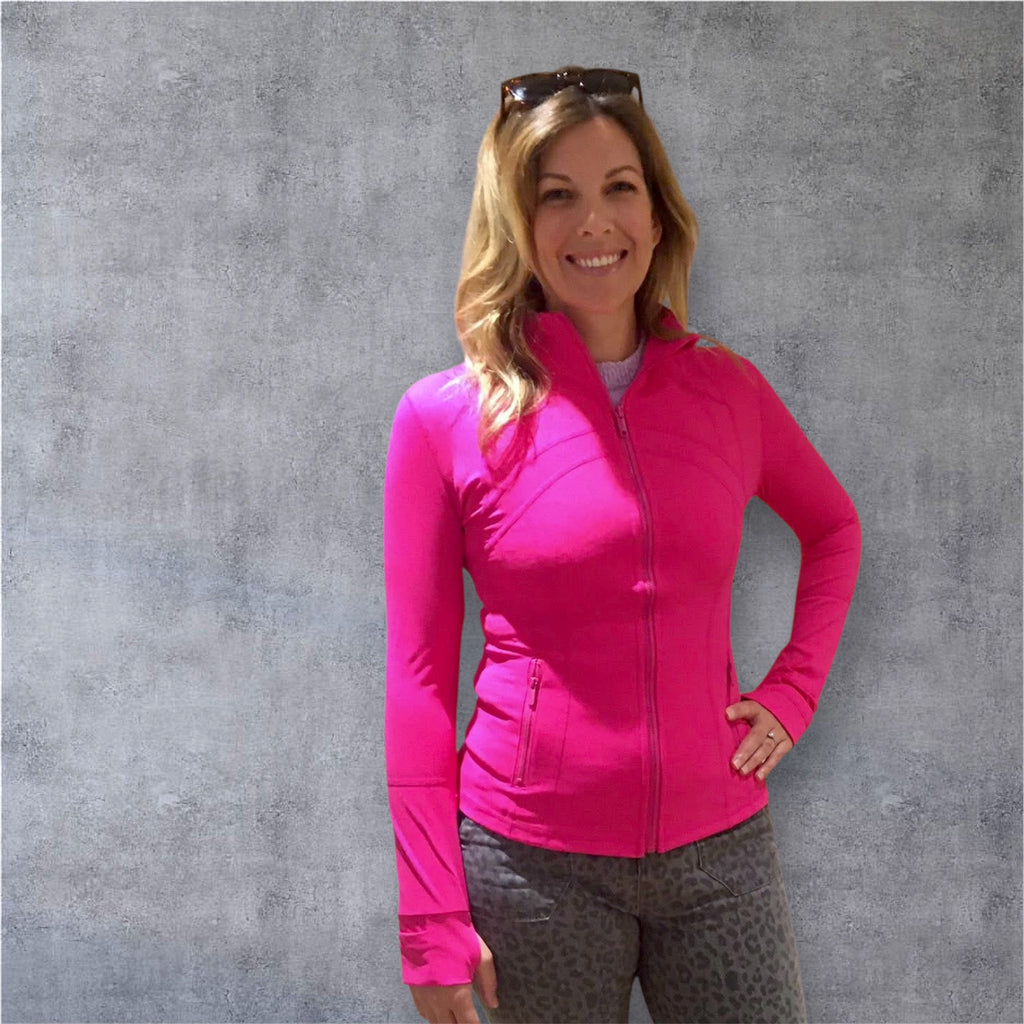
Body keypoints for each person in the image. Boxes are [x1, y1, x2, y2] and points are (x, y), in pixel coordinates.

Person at [383, 66, 862, 1024]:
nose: (593, 222)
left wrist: (794, 691)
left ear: (657, 211)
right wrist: (429, 915)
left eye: (619, 187)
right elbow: (418, 679)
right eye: (556, 195)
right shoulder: (444, 418)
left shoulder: (728, 391)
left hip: (721, 854)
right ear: (517, 221)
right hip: (532, 867)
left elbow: (835, 528)